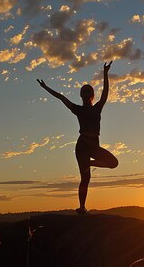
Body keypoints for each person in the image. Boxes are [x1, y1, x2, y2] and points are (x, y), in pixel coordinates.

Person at [37, 61, 118, 215]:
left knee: (113, 163)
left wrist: (105, 73)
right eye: (84, 92)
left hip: (94, 146)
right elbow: (61, 97)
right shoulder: (77, 109)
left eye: (89, 92)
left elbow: (106, 93)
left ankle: (89, 163)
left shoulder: (97, 108)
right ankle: (82, 207)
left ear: (92, 96)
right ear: (81, 95)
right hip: (82, 146)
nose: (86, 94)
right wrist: (45, 87)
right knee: (85, 178)